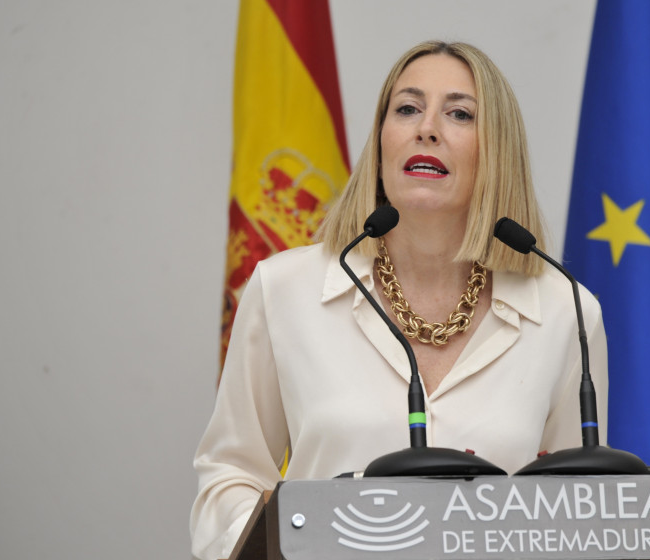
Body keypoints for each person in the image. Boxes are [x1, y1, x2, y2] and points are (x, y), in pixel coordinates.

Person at [190, 40, 607, 560]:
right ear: (382, 141)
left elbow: (578, 509)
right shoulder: (283, 289)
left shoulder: (566, 309)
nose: (425, 128)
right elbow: (230, 473)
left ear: (497, 150)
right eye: (407, 108)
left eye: (459, 113)